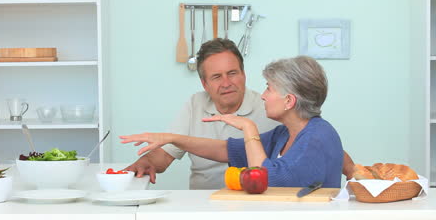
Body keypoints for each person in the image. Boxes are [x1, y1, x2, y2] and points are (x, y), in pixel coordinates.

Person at [121, 56, 344, 188]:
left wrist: (248, 127)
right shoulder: (284, 134)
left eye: (269, 88)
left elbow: (265, 179)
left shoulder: (316, 136)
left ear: (289, 101)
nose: (263, 95)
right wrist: (171, 139)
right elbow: (226, 150)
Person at [125, 39, 279, 189]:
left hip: (253, 202)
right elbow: (166, 154)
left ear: (243, 75)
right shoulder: (195, 103)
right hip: (202, 203)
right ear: (204, 83)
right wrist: (146, 162)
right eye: (217, 77)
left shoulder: (269, 108)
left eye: (232, 73)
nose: (226, 83)